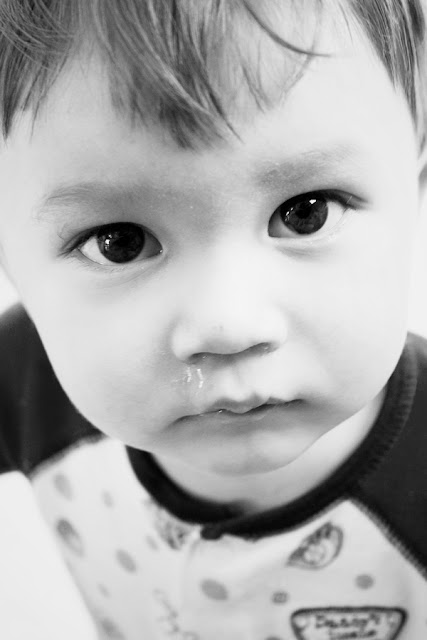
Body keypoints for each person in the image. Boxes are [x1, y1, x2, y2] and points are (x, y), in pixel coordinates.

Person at [0, 0, 426, 638]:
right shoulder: (27, 380)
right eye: (121, 243)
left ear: (415, 193)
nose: (229, 325)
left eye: (305, 213)